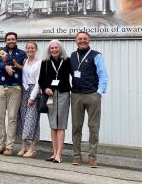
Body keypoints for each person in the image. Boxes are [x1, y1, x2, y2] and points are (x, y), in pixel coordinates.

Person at [70, 31, 109, 168]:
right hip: (75, 95)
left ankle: (92, 157)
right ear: (76, 41)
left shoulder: (96, 55)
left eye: (84, 38)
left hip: (92, 95)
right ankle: (77, 156)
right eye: (79, 39)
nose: (82, 41)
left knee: (93, 127)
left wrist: (99, 93)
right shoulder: (72, 56)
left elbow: (103, 75)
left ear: (89, 40)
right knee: (76, 126)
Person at [0, 32, 27, 156]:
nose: (11, 41)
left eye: (13, 39)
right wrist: (4, 66)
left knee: (12, 118)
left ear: (16, 40)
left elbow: (24, 67)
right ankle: (1, 144)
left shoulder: (21, 53)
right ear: (6, 40)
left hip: (15, 87)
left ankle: (9, 147)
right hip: (1, 86)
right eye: (9, 39)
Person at [38, 39, 72, 163]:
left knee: (61, 124)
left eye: (56, 47)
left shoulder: (67, 61)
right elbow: (41, 79)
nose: (54, 50)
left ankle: (59, 154)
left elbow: (74, 75)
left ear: (60, 48)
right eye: (51, 48)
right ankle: (54, 153)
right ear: (49, 50)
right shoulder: (45, 62)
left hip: (63, 94)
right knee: (53, 124)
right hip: (50, 95)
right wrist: (45, 88)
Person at [16, 41, 42, 158]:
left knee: (32, 120)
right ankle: (24, 147)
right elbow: (23, 76)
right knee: (22, 118)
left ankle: (32, 149)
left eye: (32, 48)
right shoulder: (25, 61)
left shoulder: (40, 63)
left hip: (34, 91)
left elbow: (38, 82)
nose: (30, 50)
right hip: (24, 90)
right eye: (28, 48)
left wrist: (32, 97)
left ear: (36, 50)